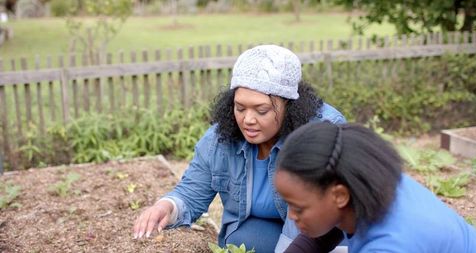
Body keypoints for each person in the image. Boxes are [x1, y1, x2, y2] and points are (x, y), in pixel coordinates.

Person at [132, 45, 346, 252]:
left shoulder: (321, 133)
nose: (248, 120)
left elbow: (315, 215)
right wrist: (168, 207)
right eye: (240, 108)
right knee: (242, 240)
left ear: (290, 106)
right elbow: (191, 192)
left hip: (321, 237)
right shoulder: (221, 139)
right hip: (264, 231)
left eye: (261, 110)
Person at [275, 122, 476, 253]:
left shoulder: (392, 243)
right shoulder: (372, 187)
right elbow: (325, 234)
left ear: (339, 195)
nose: (291, 215)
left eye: (299, 208)